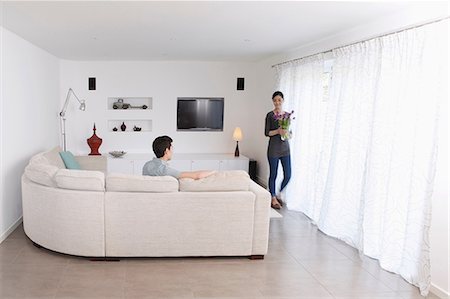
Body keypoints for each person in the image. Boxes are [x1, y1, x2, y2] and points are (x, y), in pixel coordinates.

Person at [143, 135, 216, 179]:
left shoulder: (146, 166)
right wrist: (214, 172)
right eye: (171, 148)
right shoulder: (165, 170)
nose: (172, 151)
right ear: (166, 151)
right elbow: (197, 176)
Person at [265, 91, 292, 209]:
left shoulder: (287, 115)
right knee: (273, 174)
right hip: (274, 149)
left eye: (279, 100)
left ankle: (280, 193)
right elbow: (267, 133)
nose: (277, 102)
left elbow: (289, 133)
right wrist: (277, 131)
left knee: (288, 174)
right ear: (273, 101)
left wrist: (288, 134)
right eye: (275, 100)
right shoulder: (270, 115)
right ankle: (273, 198)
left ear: (283, 101)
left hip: (285, 149)